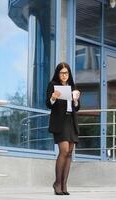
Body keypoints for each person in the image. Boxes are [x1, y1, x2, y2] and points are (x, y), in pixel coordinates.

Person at [45, 62, 80, 195]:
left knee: (70, 153)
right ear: (58, 73)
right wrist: (53, 98)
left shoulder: (73, 87)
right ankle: (57, 183)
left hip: (71, 121)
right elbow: (48, 104)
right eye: (62, 73)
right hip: (60, 122)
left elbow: (77, 107)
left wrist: (76, 101)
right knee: (64, 151)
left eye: (66, 73)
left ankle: (64, 185)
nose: (64, 75)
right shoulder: (53, 85)